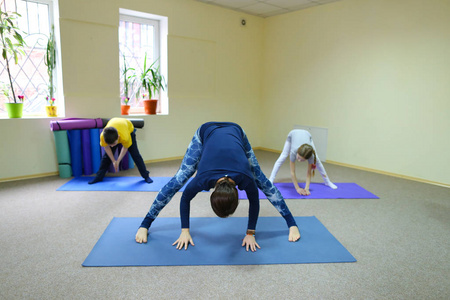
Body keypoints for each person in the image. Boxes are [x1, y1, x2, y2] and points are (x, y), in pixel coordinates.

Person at [135, 122, 301, 252]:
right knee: (177, 181)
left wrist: (250, 233)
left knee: (264, 183)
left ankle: (292, 223)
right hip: (205, 132)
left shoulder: (246, 178)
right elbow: (185, 197)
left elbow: (255, 201)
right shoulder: (202, 179)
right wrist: (184, 230)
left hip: (237, 132)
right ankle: (145, 223)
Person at [269, 129, 337, 196]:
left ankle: (327, 181)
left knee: (317, 161)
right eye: (298, 158)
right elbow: (292, 172)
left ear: (307, 158)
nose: (299, 161)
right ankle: (271, 179)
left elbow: (308, 173)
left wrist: (307, 188)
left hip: (307, 135)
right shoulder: (293, 152)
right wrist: (297, 188)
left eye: (302, 160)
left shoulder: (311, 156)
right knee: (283, 156)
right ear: (297, 152)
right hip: (293, 134)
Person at [89, 117, 153, 184]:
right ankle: (99, 177)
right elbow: (107, 148)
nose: (112, 146)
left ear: (118, 137)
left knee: (135, 155)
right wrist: (114, 161)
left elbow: (125, 148)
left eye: (113, 144)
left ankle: (146, 176)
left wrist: (118, 161)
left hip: (128, 128)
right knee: (106, 157)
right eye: (110, 144)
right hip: (115, 127)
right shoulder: (103, 136)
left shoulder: (125, 137)